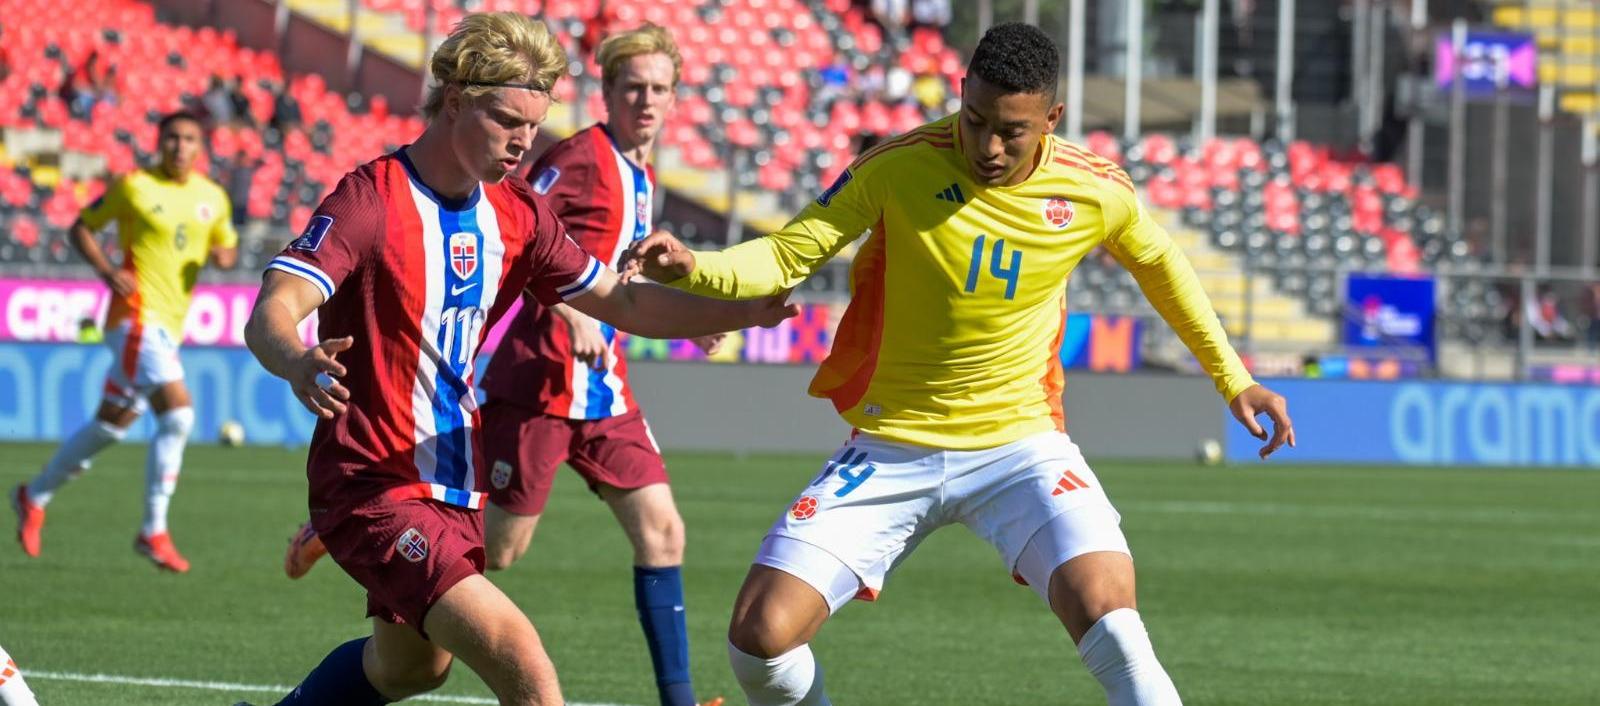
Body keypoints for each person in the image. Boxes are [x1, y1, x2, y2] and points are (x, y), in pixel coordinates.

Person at [626, 23, 1295, 706]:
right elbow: (788, 253)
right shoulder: (898, 165)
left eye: (1012, 130)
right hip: (892, 449)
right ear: (961, 93)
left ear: (1052, 119)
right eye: (975, 121)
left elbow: (1162, 267)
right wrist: (695, 268)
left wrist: (1234, 378)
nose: (988, 146)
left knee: (1111, 614)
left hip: (1022, 448)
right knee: (757, 640)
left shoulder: (1096, 189)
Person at [241, 13, 794, 705]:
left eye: (533, 125)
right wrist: (296, 360)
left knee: (413, 669)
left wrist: (742, 309)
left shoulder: (518, 215)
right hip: (372, 484)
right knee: (522, 662)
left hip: (452, 476)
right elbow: (275, 305)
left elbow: (624, 306)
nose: (524, 141)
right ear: (453, 102)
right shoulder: (371, 199)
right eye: (507, 120)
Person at [12, 110, 238, 573]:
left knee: (110, 425)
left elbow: (227, 246)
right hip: (135, 317)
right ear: (159, 142)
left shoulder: (212, 198)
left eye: (189, 138)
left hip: (168, 326)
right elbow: (81, 227)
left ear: (201, 148)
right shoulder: (134, 186)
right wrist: (105, 269)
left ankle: (33, 495)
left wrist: (221, 253)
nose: (179, 146)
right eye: (172, 137)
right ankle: (153, 528)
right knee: (178, 414)